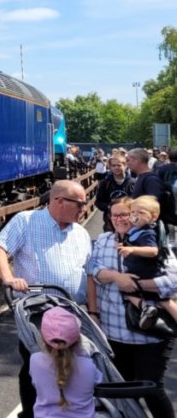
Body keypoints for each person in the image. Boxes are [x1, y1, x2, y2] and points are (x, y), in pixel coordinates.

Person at [0, 179, 92, 418]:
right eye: (80, 204)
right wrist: (9, 278)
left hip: (73, 311)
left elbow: (88, 272)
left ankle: (67, 411)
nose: (84, 209)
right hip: (38, 311)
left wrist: (94, 312)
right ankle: (32, 412)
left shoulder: (80, 232)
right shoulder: (26, 221)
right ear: (59, 201)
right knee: (35, 365)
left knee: (74, 364)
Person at [87, 196, 177, 418]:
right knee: (123, 389)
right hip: (115, 331)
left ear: (136, 214)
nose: (119, 219)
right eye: (114, 215)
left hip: (150, 332)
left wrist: (136, 284)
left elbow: (173, 280)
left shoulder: (151, 239)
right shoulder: (105, 241)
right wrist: (116, 277)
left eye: (124, 214)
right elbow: (92, 269)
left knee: (151, 388)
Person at [30, 307, 102, 418]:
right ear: (78, 339)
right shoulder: (88, 366)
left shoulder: (35, 361)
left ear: (42, 337)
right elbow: (98, 380)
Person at [117, 196, 177, 328]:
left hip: (146, 273)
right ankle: (146, 308)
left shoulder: (147, 233)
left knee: (126, 290)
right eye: (132, 212)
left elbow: (153, 251)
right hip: (141, 272)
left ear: (153, 217)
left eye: (141, 212)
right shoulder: (136, 231)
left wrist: (132, 249)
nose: (135, 215)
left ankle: (145, 307)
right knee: (161, 300)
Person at [94, 155, 132, 231]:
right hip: (110, 222)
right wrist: (109, 207)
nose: (116, 168)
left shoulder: (134, 183)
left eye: (119, 165)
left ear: (125, 166)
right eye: (113, 165)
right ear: (110, 167)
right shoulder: (105, 183)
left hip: (129, 222)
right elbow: (98, 202)